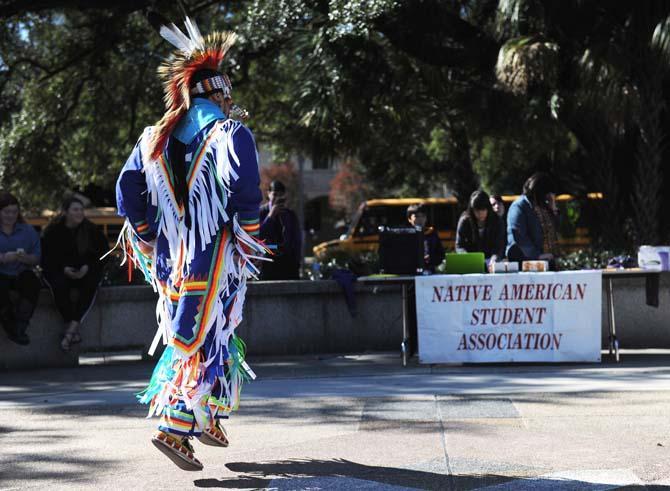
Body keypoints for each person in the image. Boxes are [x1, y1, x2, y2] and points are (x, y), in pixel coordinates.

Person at [115, 17, 268, 471]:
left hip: (169, 258)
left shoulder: (152, 139)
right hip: (214, 252)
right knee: (198, 336)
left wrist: (146, 237)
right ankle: (176, 425)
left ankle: (211, 412)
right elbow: (245, 192)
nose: (230, 101)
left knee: (208, 331)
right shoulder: (229, 134)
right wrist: (248, 238)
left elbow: (127, 193)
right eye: (226, 94)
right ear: (213, 94)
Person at [41, 197, 109, 351]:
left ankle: (71, 330)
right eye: (75, 210)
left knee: (91, 284)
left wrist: (87, 267)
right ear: (65, 212)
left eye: (81, 210)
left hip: (85, 270)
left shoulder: (91, 230)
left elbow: (102, 254)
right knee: (58, 285)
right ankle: (72, 329)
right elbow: (47, 257)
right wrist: (64, 269)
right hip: (60, 271)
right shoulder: (52, 231)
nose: (79, 213)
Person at [0, 191, 41, 345]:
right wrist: (3, 258)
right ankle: (10, 326)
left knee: (32, 283)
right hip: (1, 274)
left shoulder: (28, 231)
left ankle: (21, 326)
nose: (10, 216)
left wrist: (27, 258)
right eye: (6, 212)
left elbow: (36, 257)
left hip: (20, 272)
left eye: (14, 212)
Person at [506, 172, 560, 263]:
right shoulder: (519, 206)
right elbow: (519, 236)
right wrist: (537, 255)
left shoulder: (544, 206)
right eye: (546, 195)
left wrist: (553, 207)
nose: (547, 198)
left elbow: (555, 229)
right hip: (523, 261)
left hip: (545, 259)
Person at [259, 180, 302, 280]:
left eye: (280, 195)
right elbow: (258, 235)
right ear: (268, 194)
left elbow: (296, 240)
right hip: (268, 260)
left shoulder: (290, 214)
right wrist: (270, 216)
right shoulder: (261, 212)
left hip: (288, 262)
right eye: (274, 194)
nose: (277, 198)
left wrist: (297, 261)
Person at [455, 190, 505, 261]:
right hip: (471, 261)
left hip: (491, 261)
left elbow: (499, 247)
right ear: (472, 210)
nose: (480, 214)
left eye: (483, 210)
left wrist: (494, 259)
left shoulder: (497, 221)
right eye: (477, 210)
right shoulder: (465, 221)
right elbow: (459, 245)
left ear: (488, 208)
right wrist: (467, 257)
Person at [406, 203, 444, 273]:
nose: (420, 219)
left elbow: (441, 255)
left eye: (423, 216)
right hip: (410, 272)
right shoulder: (405, 236)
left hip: (429, 271)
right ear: (409, 219)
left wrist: (431, 259)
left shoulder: (432, 234)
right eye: (417, 217)